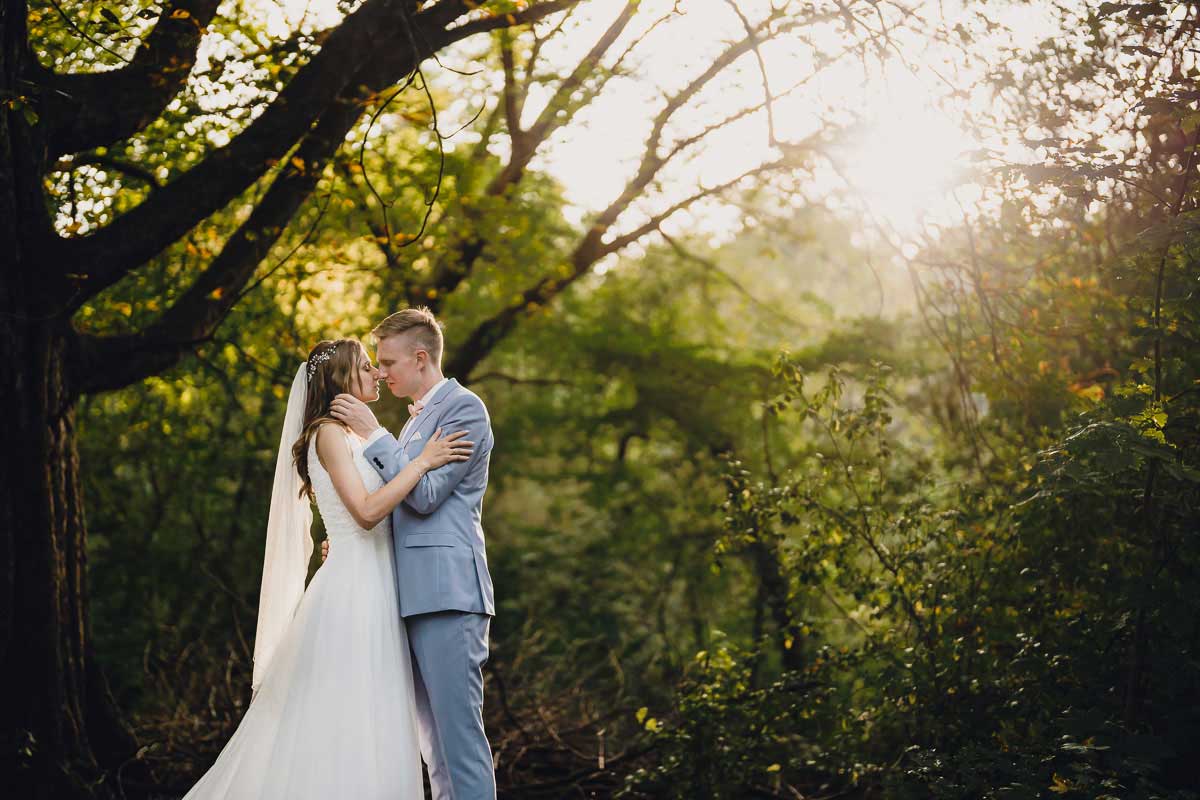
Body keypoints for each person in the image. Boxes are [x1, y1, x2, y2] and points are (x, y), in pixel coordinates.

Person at [181, 338, 472, 800]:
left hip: (376, 580)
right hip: (353, 590)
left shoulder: (358, 435)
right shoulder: (328, 433)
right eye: (365, 367)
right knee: (345, 713)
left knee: (372, 715)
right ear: (340, 380)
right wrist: (423, 463)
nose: (377, 373)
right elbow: (367, 511)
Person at [329, 307, 497, 800]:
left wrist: (373, 433)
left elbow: (425, 497)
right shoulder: (416, 423)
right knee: (434, 750)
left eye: (388, 362)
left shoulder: (466, 410)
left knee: (459, 743)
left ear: (421, 358)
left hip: (448, 595)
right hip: (409, 595)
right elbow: (401, 498)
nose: (380, 372)